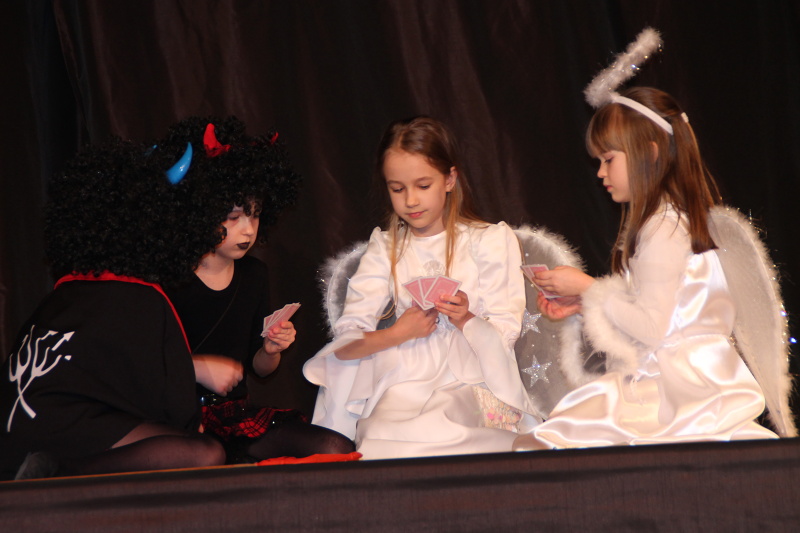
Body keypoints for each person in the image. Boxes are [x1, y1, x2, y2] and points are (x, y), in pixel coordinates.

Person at [514, 86, 780, 450]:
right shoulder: (672, 221)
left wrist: (589, 288)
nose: (600, 173)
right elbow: (666, 318)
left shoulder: (662, 228)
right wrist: (586, 302)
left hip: (679, 392)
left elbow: (653, 329)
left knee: (556, 442)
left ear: (650, 153)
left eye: (608, 159)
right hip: (689, 380)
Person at [303, 116, 538, 459]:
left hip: (472, 380)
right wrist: (397, 333)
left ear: (449, 179)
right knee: (382, 431)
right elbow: (347, 343)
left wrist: (466, 319)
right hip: (404, 381)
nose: (411, 200)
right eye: (397, 189)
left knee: (443, 425)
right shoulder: (386, 248)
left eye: (423, 185)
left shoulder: (488, 241)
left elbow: (505, 333)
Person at [0, 135, 226, 480]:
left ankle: (49, 468)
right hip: (62, 433)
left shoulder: (62, 294)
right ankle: (60, 473)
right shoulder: (142, 298)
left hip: (12, 435)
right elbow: (172, 406)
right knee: (205, 451)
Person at [165, 117, 355, 463]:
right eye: (233, 216)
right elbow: (137, 363)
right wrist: (196, 367)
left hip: (232, 418)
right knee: (206, 457)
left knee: (335, 447)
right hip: (173, 418)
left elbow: (261, 369)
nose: (248, 230)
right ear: (198, 213)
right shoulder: (167, 278)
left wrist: (271, 349)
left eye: (254, 215)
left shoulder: (254, 274)